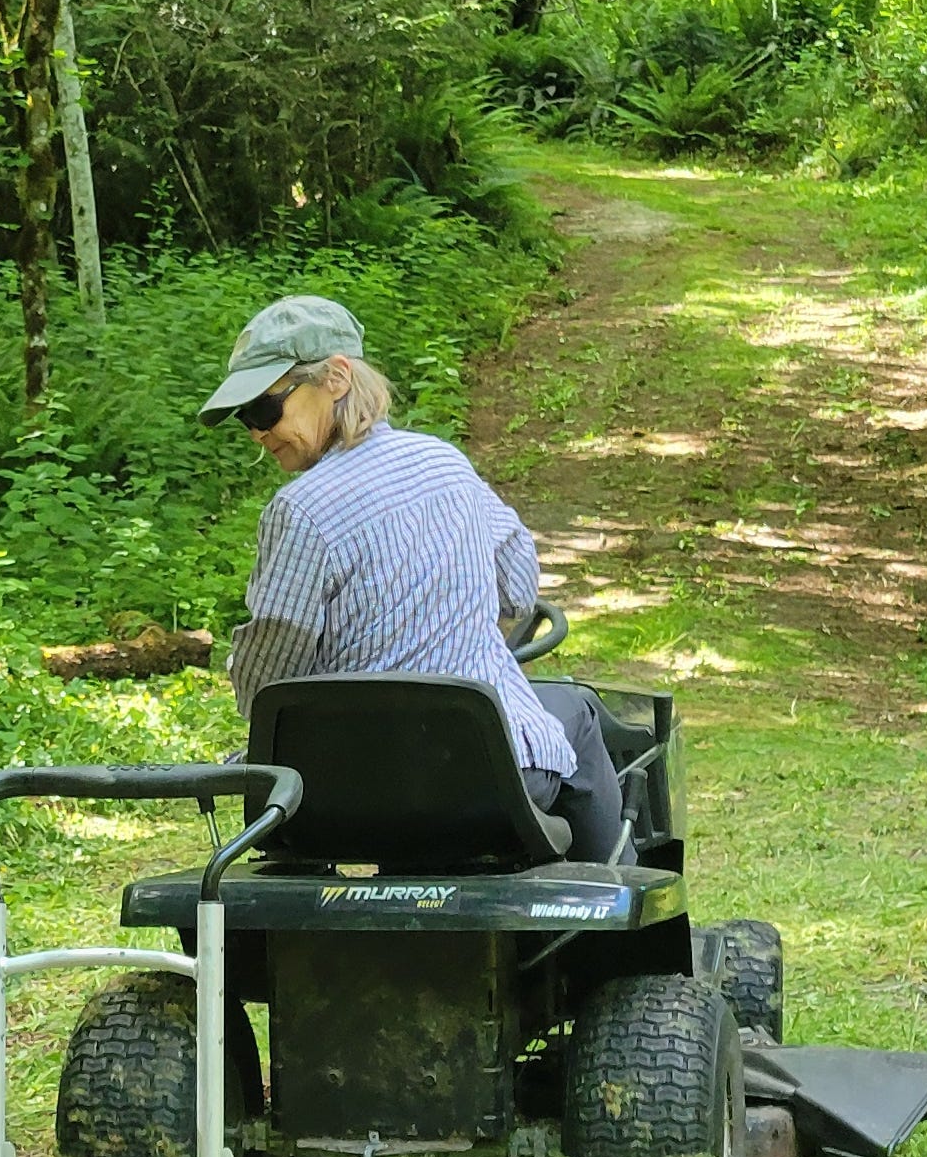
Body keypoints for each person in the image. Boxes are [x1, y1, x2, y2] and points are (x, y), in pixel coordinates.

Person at [204, 295, 627, 862]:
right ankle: (622, 909)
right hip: (487, 782)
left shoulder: (299, 509)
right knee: (575, 713)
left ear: (335, 377)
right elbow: (519, 586)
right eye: (246, 419)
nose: (258, 432)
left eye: (264, 410)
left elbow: (268, 684)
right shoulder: (444, 465)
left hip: (342, 796)